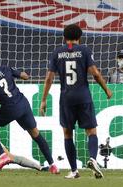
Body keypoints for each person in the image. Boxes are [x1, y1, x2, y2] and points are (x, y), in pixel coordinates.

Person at [0, 53, 59, 174]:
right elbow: (25, 77)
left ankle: (3, 156)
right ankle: (53, 165)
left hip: (9, 108)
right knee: (36, 134)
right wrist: (22, 74)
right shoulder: (5, 68)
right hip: (23, 104)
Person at [40, 24, 112, 179]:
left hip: (66, 98)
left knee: (67, 134)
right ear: (80, 37)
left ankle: (74, 171)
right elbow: (96, 74)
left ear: (64, 37)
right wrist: (106, 89)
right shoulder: (85, 51)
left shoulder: (57, 53)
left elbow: (49, 78)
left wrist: (44, 100)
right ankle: (92, 159)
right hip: (83, 97)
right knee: (91, 131)